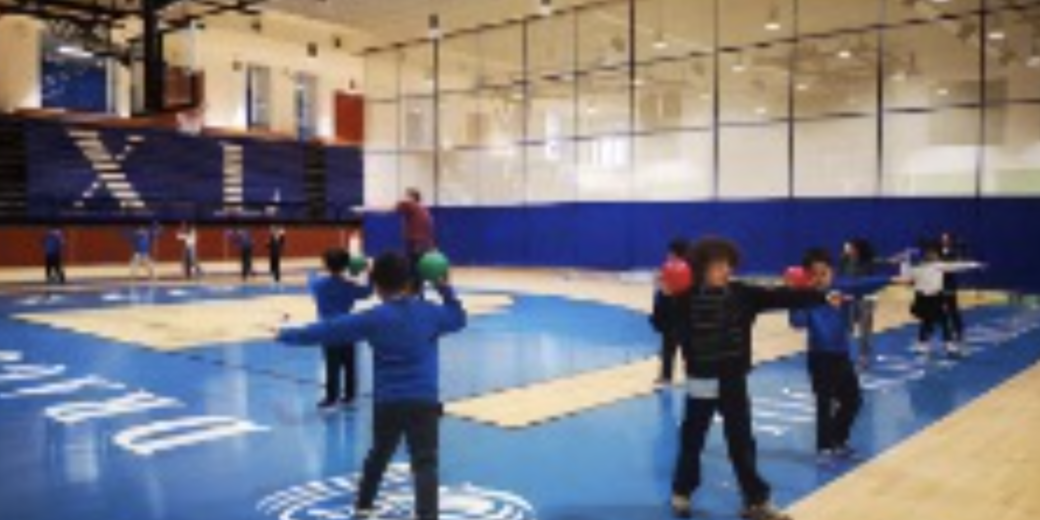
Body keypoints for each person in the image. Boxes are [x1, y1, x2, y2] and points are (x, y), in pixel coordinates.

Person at [276, 252, 466, 520]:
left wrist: (284, 334)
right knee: (425, 463)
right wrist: (445, 288)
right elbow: (458, 318)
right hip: (423, 402)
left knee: (379, 455)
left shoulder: (374, 318)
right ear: (410, 281)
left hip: (387, 402)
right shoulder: (429, 313)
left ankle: (364, 506)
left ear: (376, 286)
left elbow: (328, 330)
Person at [670, 237, 843, 520]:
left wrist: (819, 295)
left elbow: (780, 297)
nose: (726, 270)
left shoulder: (742, 294)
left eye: (728, 265)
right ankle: (682, 491)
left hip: (732, 379)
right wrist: (666, 294)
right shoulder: (685, 298)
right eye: (718, 265)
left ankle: (756, 500)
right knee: (693, 440)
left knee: (741, 442)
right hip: (701, 380)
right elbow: (661, 324)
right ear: (702, 268)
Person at [791, 248, 890, 462]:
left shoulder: (840, 289)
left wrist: (893, 279)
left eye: (824, 273)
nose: (820, 278)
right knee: (824, 403)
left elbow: (864, 284)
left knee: (853, 400)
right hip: (819, 358)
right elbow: (797, 322)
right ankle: (824, 447)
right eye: (814, 274)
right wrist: (803, 297)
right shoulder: (806, 297)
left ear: (832, 272)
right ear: (808, 276)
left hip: (841, 356)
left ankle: (837, 440)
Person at [307, 248, 373, 410]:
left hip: (328, 329)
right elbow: (367, 292)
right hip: (348, 327)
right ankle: (350, 395)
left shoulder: (319, 284)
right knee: (349, 363)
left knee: (332, 364)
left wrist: (314, 272)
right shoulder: (349, 286)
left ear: (326, 265)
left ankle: (332, 397)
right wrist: (369, 273)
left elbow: (311, 281)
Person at [898, 242, 983, 357]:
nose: (934, 256)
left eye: (934, 254)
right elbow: (905, 277)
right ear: (926, 255)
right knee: (933, 321)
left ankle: (937, 345)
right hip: (922, 299)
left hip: (935, 298)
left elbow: (957, 266)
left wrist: (975, 265)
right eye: (931, 254)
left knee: (938, 321)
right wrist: (904, 262)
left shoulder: (938, 266)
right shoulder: (917, 268)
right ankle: (939, 345)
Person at [354, 188, 436, 291]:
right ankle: (417, 290)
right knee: (417, 268)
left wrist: (365, 209)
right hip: (426, 243)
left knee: (412, 267)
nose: (403, 198)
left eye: (406, 196)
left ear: (411, 197)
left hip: (416, 242)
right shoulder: (423, 209)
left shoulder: (409, 204)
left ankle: (412, 291)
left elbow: (388, 209)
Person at [650, 238, 691, 386]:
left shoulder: (669, 267)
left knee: (669, 347)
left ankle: (666, 377)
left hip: (672, 314)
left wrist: (659, 283)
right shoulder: (692, 268)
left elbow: (666, 291)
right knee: (687, 348)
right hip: (686, 314)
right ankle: (692, 375)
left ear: (673, 253)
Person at [839, 239, 881, 367]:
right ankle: (843, 354)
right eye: (846, 247)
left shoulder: (867, 262)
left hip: (866, 298)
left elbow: (863, 280)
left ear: (856, 249)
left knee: (864, 328)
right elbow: (842, 277)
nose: (846, 248)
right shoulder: (844, 260)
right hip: (849, 298)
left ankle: (864, 356)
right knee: (847, 328)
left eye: (849, 247)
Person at [939, 232, 967, 342]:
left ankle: (959, 331)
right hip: (939, 284)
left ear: (950, 241)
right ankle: (947, 333)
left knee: (952, 309)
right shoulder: (938, 252)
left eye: (946, 239)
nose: (944, 241)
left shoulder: (954, 253)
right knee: (942, 311)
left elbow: (957, 265)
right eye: (943, 239)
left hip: (949, 285)